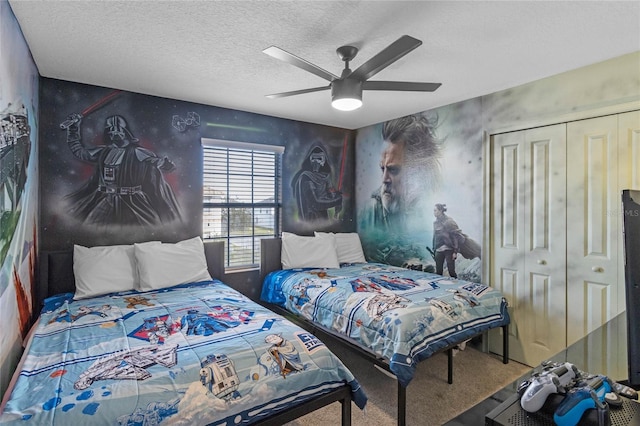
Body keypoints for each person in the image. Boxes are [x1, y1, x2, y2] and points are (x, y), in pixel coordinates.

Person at [64, 113, 181, 226]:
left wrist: (164, 164)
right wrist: (73, 129)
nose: (114, 132)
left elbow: (156, 162)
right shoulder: (104, 152)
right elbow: (80, 152)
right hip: (106, 201)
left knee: (141, 233)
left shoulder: (138, 152)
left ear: (126, 132)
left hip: (133, 203)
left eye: (118, 129)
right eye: (111, 130)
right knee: (92, 229)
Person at [359, 113, 441, 267]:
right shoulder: (369, 212)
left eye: (393, 170)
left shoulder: (430, 209)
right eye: (382, 169)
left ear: (418, 169)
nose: (384, 179)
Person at [432, 203, 462, 278]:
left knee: (451, 271)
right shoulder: (435, 223)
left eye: (435, 210)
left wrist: (455, 251)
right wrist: (434, 248)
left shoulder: (449, 221)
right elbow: (435, 236)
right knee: (438, 272)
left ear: (441, 211)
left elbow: (455, 236)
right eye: (434, 210)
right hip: (438, 249)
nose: (434, 212)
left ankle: (456, 286)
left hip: (449, 249)